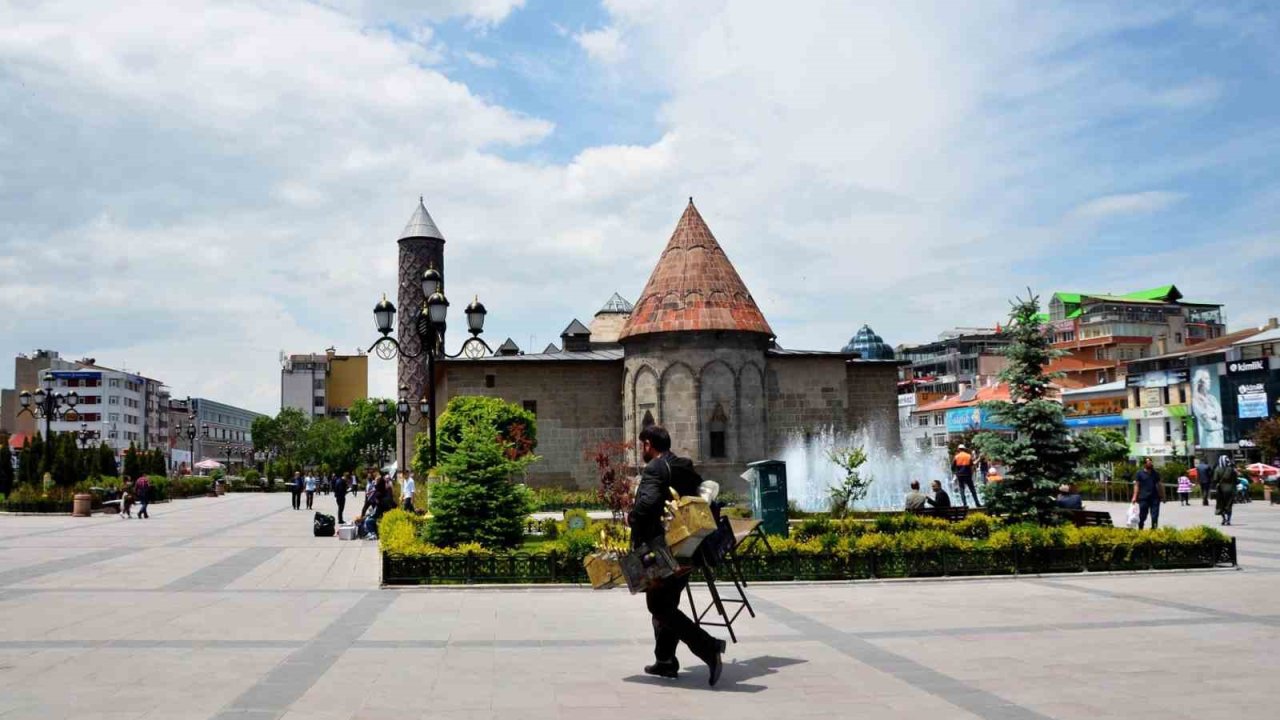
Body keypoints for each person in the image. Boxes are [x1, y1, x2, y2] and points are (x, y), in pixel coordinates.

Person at [628, 424, 726, 686]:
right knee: (667, 604)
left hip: (661, 551)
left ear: (649, 444)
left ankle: (709, 647)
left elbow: (646, 506)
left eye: (642, 446)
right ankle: (666, 661)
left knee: (658, 606)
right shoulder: (683, 465)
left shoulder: (655, 469)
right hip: (688, 548)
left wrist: (632, 518)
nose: (641, 451)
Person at [1131, 458, 1163, 529]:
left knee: (1155, 516)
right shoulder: (1139, 473)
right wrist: (1134, 496)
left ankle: (1154, 530)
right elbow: (1136, 485)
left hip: (1155, 498)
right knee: (1143, 515)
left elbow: (1159, 484)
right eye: (1148, 462)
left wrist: (1162, 495)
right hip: (1143, 498)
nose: (1150, 464)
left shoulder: (1155, 473)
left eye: (1151, 462)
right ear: (1144, 464)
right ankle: (1140, 528)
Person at [1214, 456, 1237, 525]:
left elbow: (1215, 479)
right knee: (1229, 505)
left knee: (1221, 505)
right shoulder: (1232, 469)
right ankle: (1228, 520)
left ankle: (1223, 519)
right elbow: (1236, 480)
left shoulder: (1217, 469)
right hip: (1230, 490)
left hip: (1221, 490)